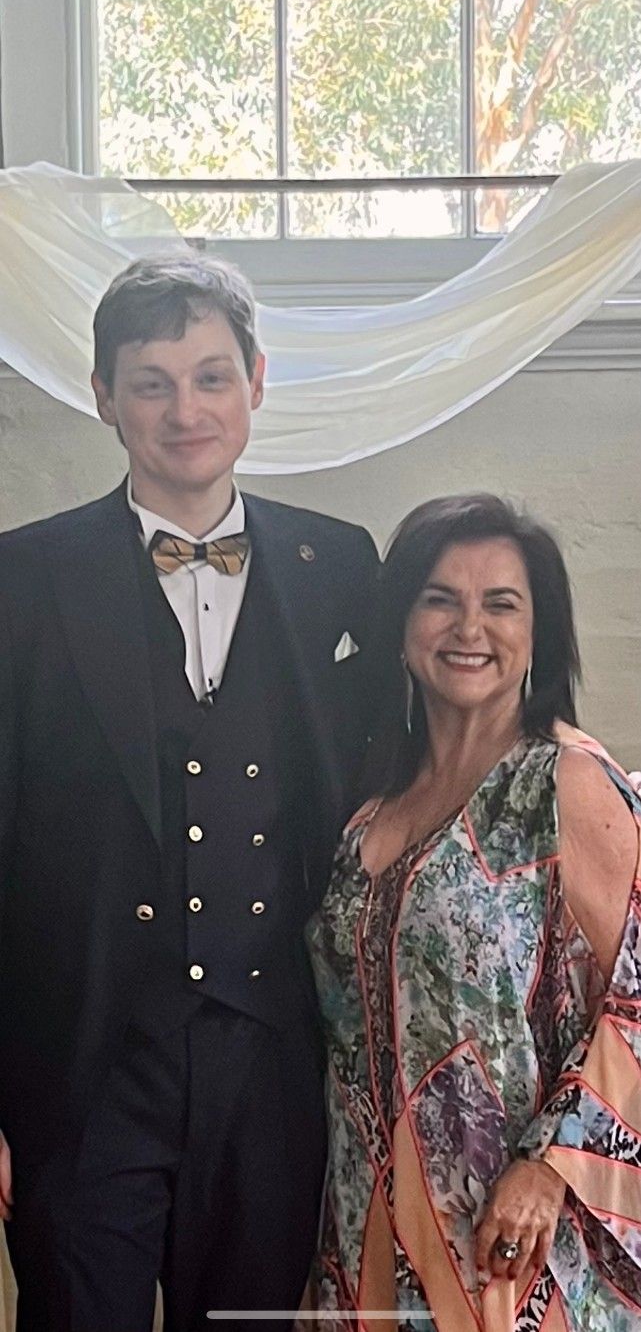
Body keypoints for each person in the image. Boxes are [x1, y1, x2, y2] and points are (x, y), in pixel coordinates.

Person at [0, 253, 379, 1331]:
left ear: (256, 381)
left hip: (273, 1068)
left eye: (211, 377)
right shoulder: (19, 580)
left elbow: (399, 772)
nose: (184, 409)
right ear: (103, 396)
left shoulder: (337, 566)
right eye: (152, 381)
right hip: (78, 1072)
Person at [307, 493, 641, 1332]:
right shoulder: (366, 812)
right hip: (363, 1232)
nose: (468, 627)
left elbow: (634, 1001)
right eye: (439, 598)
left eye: (500, 603)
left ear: (539, 633)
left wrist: (548, 1168)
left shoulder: (563, 784)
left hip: (511, 1239)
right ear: (401, 622)